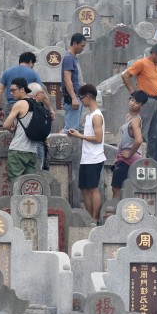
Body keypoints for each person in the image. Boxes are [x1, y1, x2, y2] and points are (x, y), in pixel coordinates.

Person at [66, 84, 105, 223]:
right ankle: (89, 217)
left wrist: (79, 136)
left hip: (95, 157)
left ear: (89, 97)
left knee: (93, 188)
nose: (81, 101)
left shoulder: (96, 116)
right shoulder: (89, 116)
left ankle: (94, 218)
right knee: (84, 188)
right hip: (86, 157)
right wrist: (77, 134)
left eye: (81, 98)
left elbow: (98, 139)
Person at [121, 45, 157, 158]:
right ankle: (138, 157)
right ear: (154, 53)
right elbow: (125, 75)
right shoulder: (142, 63)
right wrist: (133, 93)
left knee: (154, 134)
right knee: (142, 131)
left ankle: (150, 160)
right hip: (146, 100)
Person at [1, 77, 42, 185]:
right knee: (29, 185)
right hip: (32, 150)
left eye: (13, 90)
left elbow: (6, 125)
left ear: (22, 89)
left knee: (16, 184)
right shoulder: (37, 103)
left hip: (18, 149)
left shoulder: (20, 104)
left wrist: (11, 128)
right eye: (10, 90)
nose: (11, 93)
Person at [112, 90, 147, 200]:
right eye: (132, 100)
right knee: (118, 189)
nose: (132, 103)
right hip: (123, 159)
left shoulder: (135, 120)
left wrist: (130, 154)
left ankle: (116, 209)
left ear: (141, 106)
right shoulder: (128, 116)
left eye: (137, 102)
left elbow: (139, 140)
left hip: (128, 161)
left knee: (117, 189)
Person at [61, 34, 87, 131]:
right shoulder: (69, 58)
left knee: (74, 129)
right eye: (82, 46)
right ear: (74, 43)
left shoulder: (73, 58)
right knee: (71, 130)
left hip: (77, 96)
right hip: (72, 97)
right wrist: (73, 98)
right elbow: (67, 79)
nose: (83, 48)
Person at [28, 82, 54, 171]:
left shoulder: (23, 104)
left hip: (23, 145)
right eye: (43, 93)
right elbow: (39, 127)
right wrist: (45, 139)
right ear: (38, 94)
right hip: (37, 143)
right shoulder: (37, 107)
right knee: (37, 172)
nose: (44, 96)